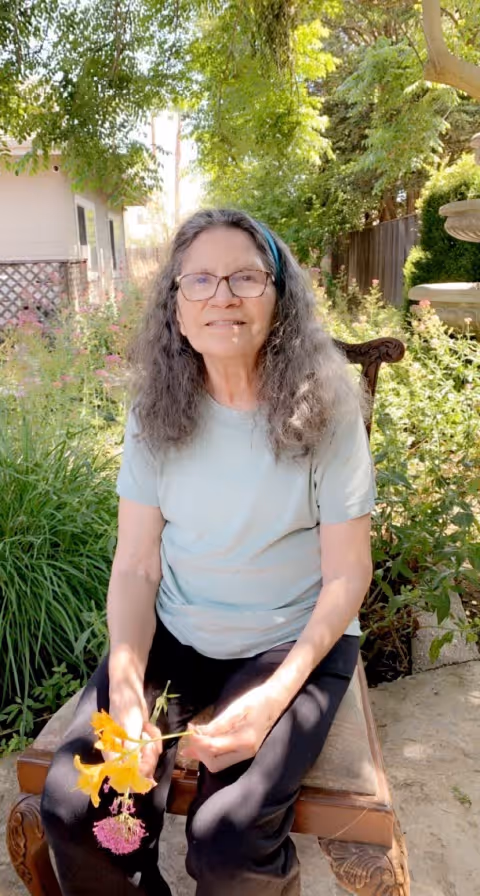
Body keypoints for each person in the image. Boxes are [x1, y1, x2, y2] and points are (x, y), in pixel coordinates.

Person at [41, 208, 376, 896]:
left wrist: (273, 699)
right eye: (200, 280)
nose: (222, 295)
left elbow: (347, 572)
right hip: (177, 634)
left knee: (228, 836)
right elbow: (136, 563)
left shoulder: (328, 409)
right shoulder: (156, 414)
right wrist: (129, 683)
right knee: (77, 809)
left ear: (279, 300)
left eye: (245, 278)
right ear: (177, 308)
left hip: (291, 644)